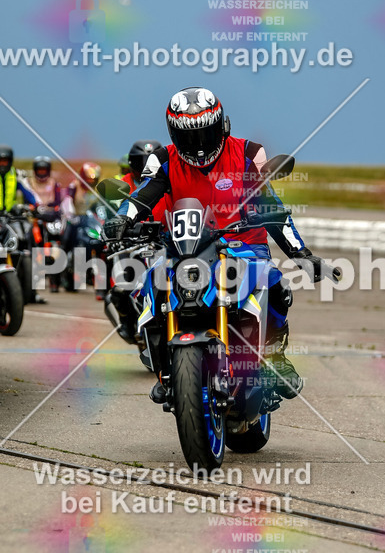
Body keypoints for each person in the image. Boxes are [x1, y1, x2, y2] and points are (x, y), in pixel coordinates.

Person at [105, 87, 327, 398]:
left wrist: (300, 253)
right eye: (188, 137)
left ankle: (275, 356)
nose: (198, 146)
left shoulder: (248, 153)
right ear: (173, 133)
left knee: (274, 282)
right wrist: (122, 219)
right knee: (149, 284)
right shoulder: (162, 159)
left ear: (221, 125)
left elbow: (272, 206)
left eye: (204, 134)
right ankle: (166, 368)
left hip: (243, 244)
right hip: (184, 248)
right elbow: (143, 195)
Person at [0, 144, 35, 211]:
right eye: (0, 161)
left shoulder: (17, 174)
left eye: (5, 161)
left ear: (10, 161)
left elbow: (28, 193)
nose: (2, 164)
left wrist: (34, 205)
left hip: (10, 214)